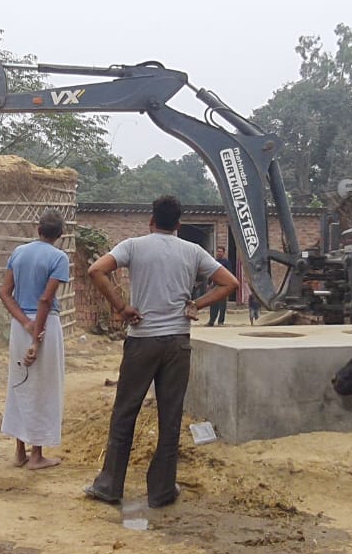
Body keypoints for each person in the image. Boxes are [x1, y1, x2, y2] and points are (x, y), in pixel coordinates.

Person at [83, 195, 239, 508]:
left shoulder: (133, 246)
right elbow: (229, 282)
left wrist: (122, 307)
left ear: (151, 220)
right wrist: (195, 304)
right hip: (178, 343)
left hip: (142, 340)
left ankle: (110, 486)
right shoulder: (193, 251)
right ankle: (162, 491)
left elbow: (96, 271)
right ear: (178, 225)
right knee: (170, 416)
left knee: (126, 412)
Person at [0, 210, 70, 470]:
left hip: (20, 326)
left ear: (38, 229)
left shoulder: (18, 253)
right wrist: (37, 337)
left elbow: (5, 293)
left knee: (20, 382)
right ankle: (37, 454)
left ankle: (19, 451)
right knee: (43, 385)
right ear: (60, 235)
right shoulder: (59, 258)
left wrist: (25, 324)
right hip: (45, 325)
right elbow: (45, 299)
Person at [207, 246, 233, 326]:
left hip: (224, 285)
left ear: (223, 253)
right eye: (218, 251)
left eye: (220, 251)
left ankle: (220, 322)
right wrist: (208, 283)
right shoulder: (213, 261)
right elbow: (211, 273)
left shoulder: (226, 262)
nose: (219, 253)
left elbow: (230, 274)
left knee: (222, 305)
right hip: (215, 285)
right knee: (213, 303)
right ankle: (211, 321)